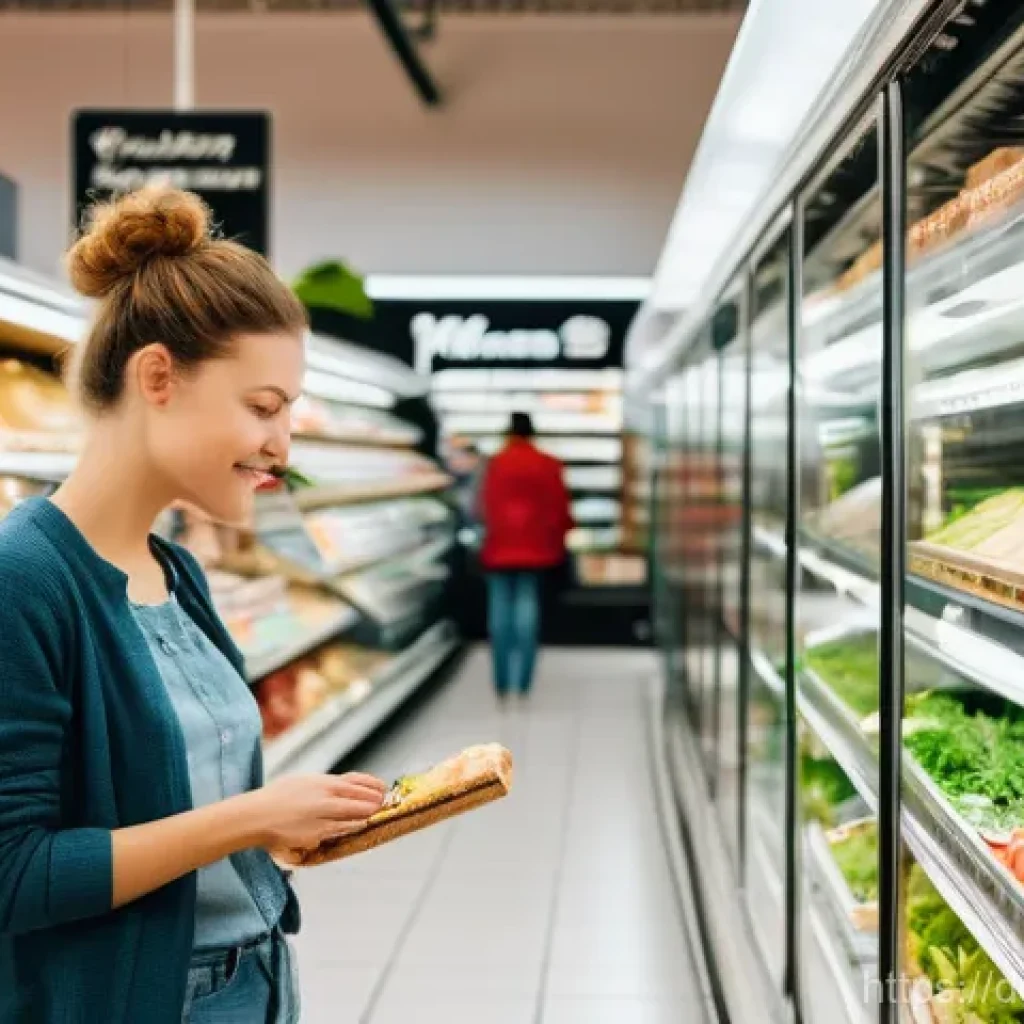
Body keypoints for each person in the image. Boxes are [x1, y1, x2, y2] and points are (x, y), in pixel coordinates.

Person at [0, 186, 389, 1024]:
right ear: (157, 377)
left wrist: (274, 829)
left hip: (256, 985)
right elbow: (15, 874)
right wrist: (245, 817)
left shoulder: (177, 573)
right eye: (263, 409)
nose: (283, 447)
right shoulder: (22, 579)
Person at [479, 411, 573, 698]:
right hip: (536, 549)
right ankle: (523, 683)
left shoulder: (495, 464)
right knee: (527, 610)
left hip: (498, 548)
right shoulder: (548, 464)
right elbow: (561, 509)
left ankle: (501, 682)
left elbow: (480, 507)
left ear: (509, 433)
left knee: (499, 614)